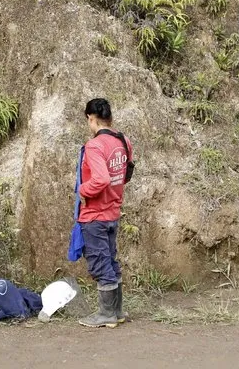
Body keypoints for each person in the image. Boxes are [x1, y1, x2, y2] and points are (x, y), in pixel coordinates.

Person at [76, 98, 133, 328]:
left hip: (95, 215)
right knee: (110, 260)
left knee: (100, 263)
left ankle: (106, 314)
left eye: (88, 121)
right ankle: (116, 312)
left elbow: (101, 178)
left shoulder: (95, 145)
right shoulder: (123, 141)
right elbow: (126, 174)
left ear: (92, 118)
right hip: (113, 212)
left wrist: (83, 189)